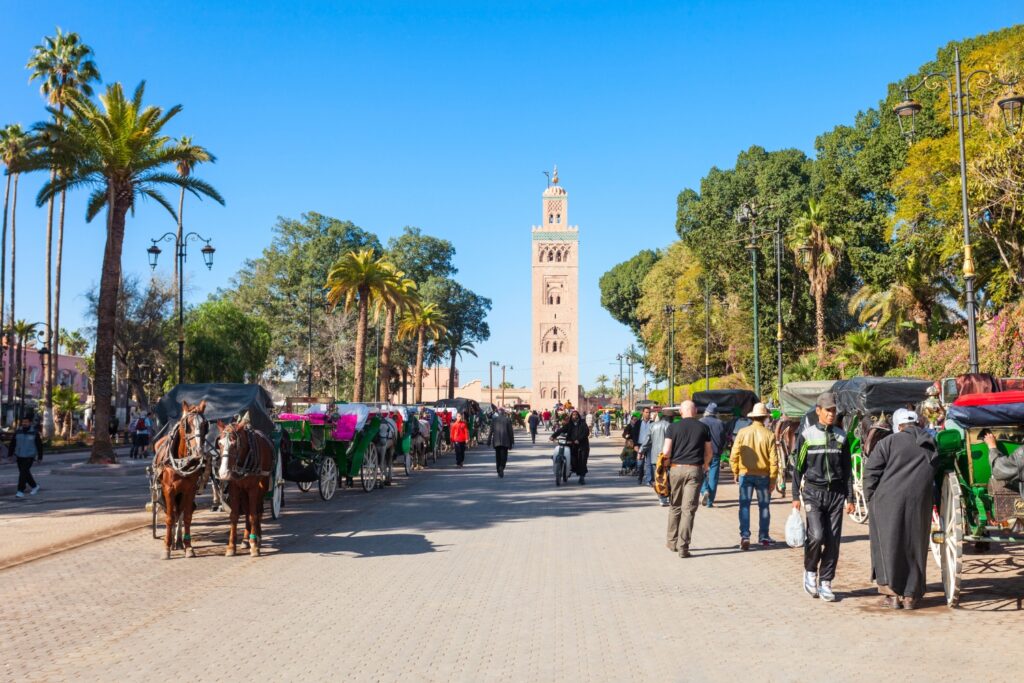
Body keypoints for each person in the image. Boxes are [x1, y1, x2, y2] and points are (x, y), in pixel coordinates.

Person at [863, 409, 939, 610]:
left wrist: (871, 499)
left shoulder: (887, 443)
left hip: (886, 502)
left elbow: (870, 473)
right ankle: (911, 596)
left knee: (887, 545)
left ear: (898, 426)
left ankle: (892, 595)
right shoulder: (930, 444)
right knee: (915, 546)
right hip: (919, 503)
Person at [792, 392, 854, 602]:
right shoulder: (807, 436)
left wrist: (850, 498)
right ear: (818, 411)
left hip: (836, 495)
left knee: (833, 540)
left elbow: (847, 470)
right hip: (813, 493)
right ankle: (810, 572)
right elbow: (798, 468)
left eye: (834, 411)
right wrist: (795, 496)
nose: (831, 414)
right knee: (817, 536)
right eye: (828, 410)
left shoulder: (842, 436)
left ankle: (826, 581)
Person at [661, 401, 712, 558]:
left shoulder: (673, 427)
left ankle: (672, 542)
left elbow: (666, 451)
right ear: (695, 411)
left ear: (681, 412)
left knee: (675, 506)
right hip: (694, 470)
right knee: (688, 509)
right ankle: (683, 547)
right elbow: (709, 452)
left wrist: (665, 465)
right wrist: (705, 465)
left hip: (675, 469)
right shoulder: (703, 427)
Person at [729, 402, 779, 550]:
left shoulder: (742, 432)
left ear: (753, 417)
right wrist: (773, 480)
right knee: (764, 507)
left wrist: (735, 471)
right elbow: (774, 461)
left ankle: (745, 535)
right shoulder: (769, 435)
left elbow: (734, 455)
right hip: (763, 476)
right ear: (765, 417)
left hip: (745, 474)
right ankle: (763, 536)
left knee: (744, 506)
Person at [699, 403, 727, 508]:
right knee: (713, 477)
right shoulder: (720, 423)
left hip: (703, 453)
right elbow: (723, 439)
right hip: (715, 453)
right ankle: (710, 502)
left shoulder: (701, 422)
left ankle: (704, 490)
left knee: (700, 473)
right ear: (716, 413)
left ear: (706, 412)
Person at [551, 410, 590, 484]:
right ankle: (566, 470)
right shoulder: (569, 424)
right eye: (573, 415)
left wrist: (579, 440)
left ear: (578, 416)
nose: (575, 416)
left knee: (582, 462)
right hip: (572, 445)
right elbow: (561, 430)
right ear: (571, 416)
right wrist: (553, 436)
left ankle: (582, 477)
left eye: (576, 415)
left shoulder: (583, 423)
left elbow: (586, 432)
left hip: (582, 446)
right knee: (571, 459)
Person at [13, 417, 43, 499]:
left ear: (30, 423)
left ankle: (20, 491)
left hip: (29, 456)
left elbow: (39, 446)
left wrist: (40, 457)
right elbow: (13, 442)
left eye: (26, 422)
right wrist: (10, 454)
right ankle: (34, 486)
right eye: (23, 422)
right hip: (19, 455)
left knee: (23, 473)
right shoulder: (18, 431)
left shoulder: (34, 433)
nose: (24, 423)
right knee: (25, 473)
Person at [648, 409, 671, 506]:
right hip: (667, 456)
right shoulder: (670, 426)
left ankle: (662, 498)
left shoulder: (652, 425)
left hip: (655, 457)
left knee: (658, 478)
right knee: (668, 477)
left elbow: (647, 440)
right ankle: (668, 496)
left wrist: (641, 451)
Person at [489, 408, 515, 478]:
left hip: (496, 441)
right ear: (504, 413)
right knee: (504, 456)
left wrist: (488, 440)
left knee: (498, 456)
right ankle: (501, 467)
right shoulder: (507, 420)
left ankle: (498, 469)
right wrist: (512, 441)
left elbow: (491, 431)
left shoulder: (494, 420)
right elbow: (510, 432)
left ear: (498, 413)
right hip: (505, 441)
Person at [636, 407, 652, 485]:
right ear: (643, 413)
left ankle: (649, 480)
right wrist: (635, 445)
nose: (648, 414)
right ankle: (640, 477)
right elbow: (634, 434)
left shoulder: (652, 423)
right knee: (640, 464)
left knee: (649, 464)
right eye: (646, 412)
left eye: (649, 412)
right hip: (640, 445)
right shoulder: (638, 423)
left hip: (649, 446)